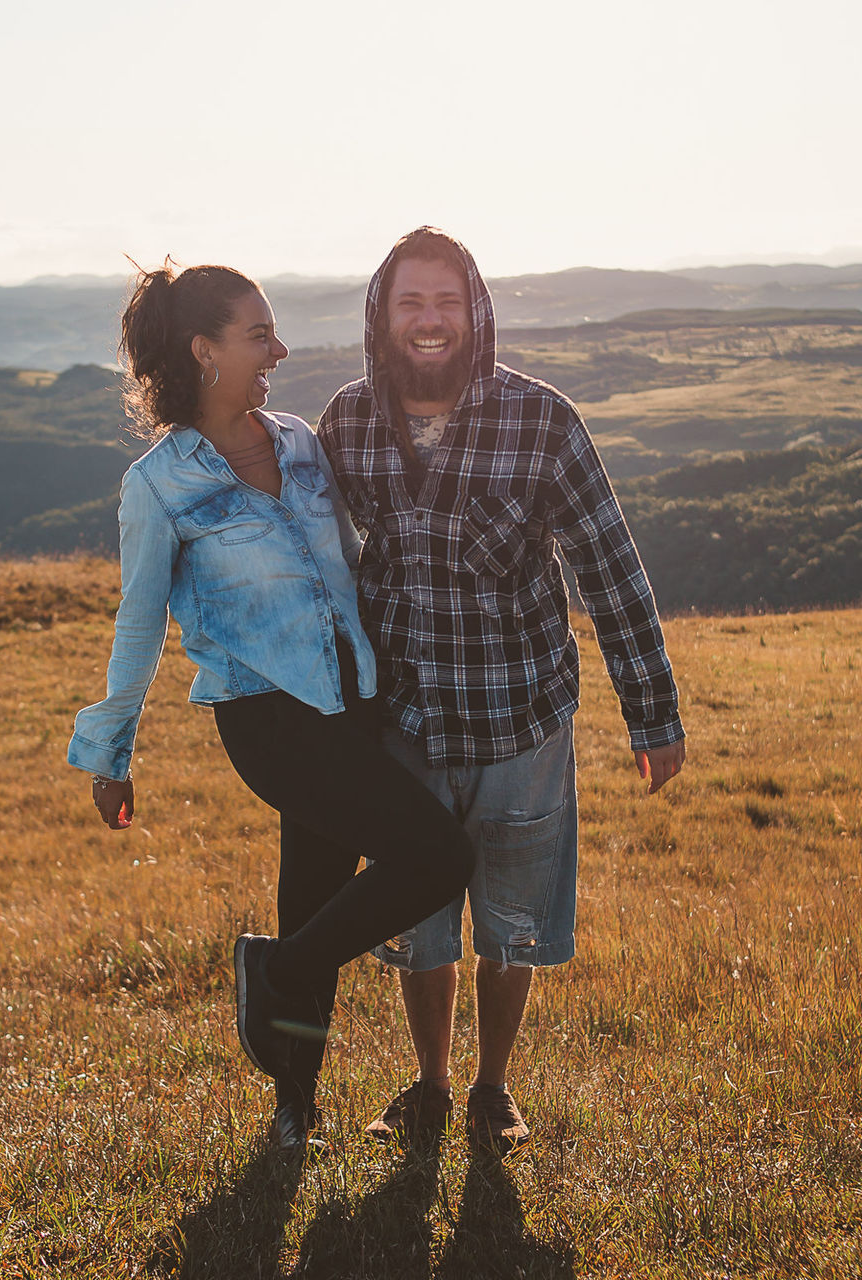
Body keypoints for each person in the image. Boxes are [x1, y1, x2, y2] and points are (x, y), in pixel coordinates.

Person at [67, 260, 474, 1154]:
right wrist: (109, 755)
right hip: (270, 719)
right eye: (259, 336)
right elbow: (138, 625)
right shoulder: (159, 484)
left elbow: (355, 562)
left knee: (315, 894)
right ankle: (276, 968)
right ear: (203, 351)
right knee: (440, 856)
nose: (279, 351)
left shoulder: (297, 441)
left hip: (354, 703)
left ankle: (295, 1111)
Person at [318, 228, 686, 1154]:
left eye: (446, 301)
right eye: (411, 302)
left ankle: (492, 1089)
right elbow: (318, 560)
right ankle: (431, 1085)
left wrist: (653, 715)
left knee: (513, 923)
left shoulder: (542, 421)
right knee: (418, 921)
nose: (429, 320)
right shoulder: (348, 423)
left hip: (520, 719)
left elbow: (610, 569)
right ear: (381, 315)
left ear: (475, 311)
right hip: (403, 724)